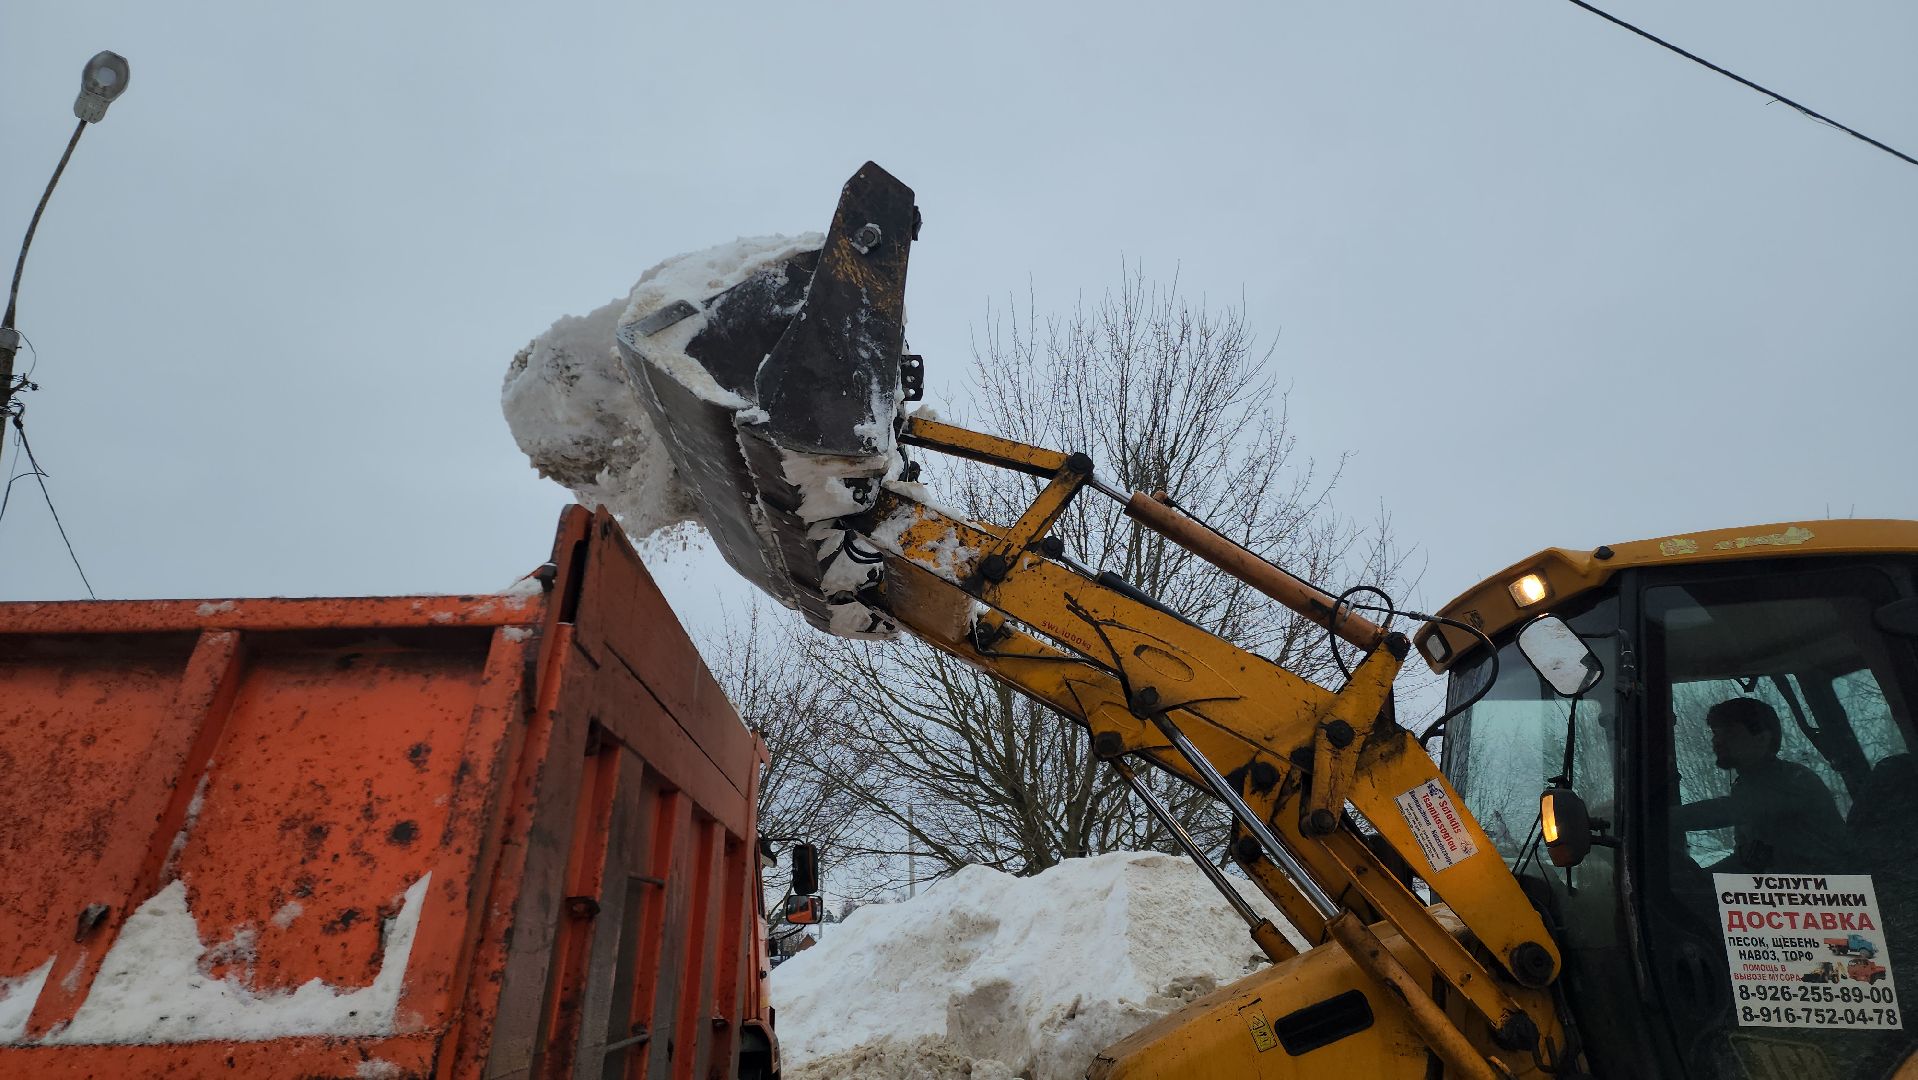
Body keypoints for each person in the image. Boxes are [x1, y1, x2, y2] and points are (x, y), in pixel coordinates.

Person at [1671, 697, 1851, 874]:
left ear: (1762, 738)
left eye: (1729, 733)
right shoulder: (1748, 785)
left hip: (1830, 894)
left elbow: (1728, 811)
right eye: (1716, 733)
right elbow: (1753, 859)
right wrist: (1703, 879)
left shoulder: (1792, 781)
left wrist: (1659, 818)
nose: (1717, 741)